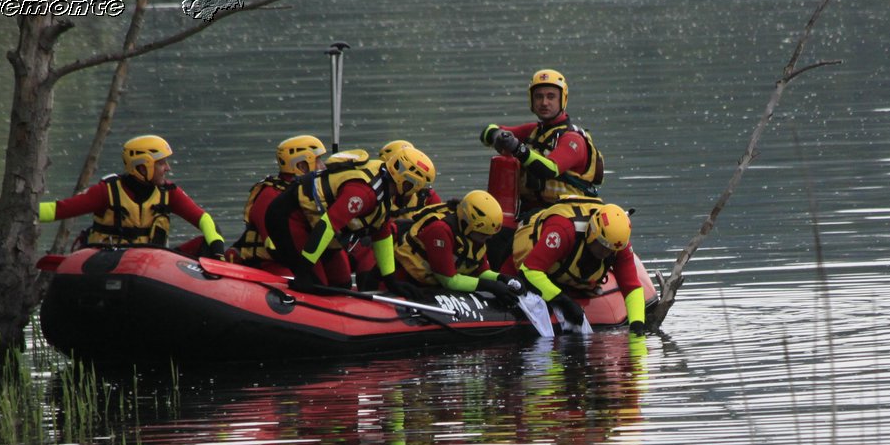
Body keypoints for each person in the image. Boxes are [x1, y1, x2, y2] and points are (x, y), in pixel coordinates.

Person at [266, 143, 438, 291]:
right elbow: (328, 225)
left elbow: (381, 232)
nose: (415, 192)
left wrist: (390, 280)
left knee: (342, 282)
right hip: (291, 216)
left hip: (316, 223)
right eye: (414, 186)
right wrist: (304, 271)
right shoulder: (365, 192)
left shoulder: (384, 187)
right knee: (316, 285)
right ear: (405, 180)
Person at [39, 134, 225, 256]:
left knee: (205, 243)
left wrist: (217, 248)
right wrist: (25, 212)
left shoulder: (169, 193)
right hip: (109, 261)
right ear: (142, 165)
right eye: (161, 163)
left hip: (153, 264)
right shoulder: (107, 192)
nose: (167, 168)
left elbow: (204, 219)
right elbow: (59, 210)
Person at [505, 198, 647, 333]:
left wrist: (637, 327)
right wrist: (564, 302)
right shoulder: (563, 230)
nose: (606, 252)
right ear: (592, 233)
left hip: (564, 274)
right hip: (520, 256)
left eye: (611, 250)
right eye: (602, 245)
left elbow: (632, 288)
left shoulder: (618, 243)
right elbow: (529, 270)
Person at [478, 69, 604, 219]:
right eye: (539, 97)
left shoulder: (573, 139)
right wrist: (497, 135)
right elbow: (486, 132)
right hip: (530, 215)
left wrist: (518, 149)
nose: (544, 103)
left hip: (568, 216)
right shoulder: (532, 131)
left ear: (562, 99)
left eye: (551, 97)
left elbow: (550, 169)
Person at [231, 134, 353, 287]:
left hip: (306, 254)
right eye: (318, 161)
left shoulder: (314, 192)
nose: (323, 167)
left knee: (340, 277)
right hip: (271, 264)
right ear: (301, 165)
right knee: (315, 283)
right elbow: (275, 245)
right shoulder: (270, 195)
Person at [391, 189, 522, 297]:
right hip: (406, 280)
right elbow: (449, 281)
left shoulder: (475, 234)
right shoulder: (440, 230)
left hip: (432, 284)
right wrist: (490, 286)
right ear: (468, 224)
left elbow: (480, 271)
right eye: (484, 235)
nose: (488, 239)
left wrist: (502, 278)